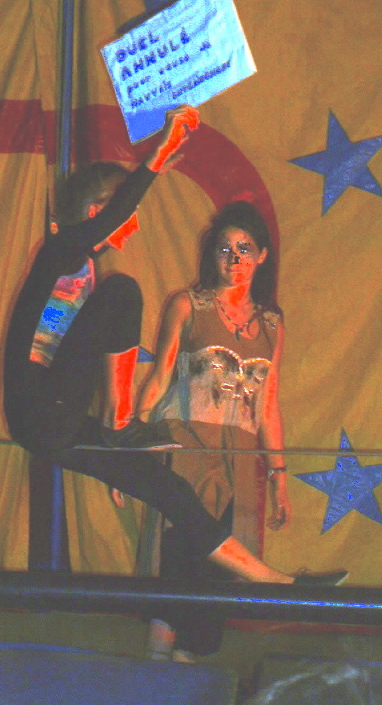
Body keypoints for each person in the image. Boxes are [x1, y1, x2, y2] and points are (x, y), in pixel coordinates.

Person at [3, 105, 347, 588]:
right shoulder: (61, 251)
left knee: (168, 490)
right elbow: (112, 220)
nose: (134, 225)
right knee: (124, 294)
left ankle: (279, 583)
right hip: (38, 405)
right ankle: (120, 424)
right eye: (128, 215)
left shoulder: (83, 267)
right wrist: (157, 157)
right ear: (97, 213)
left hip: (54, 417)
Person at [135, 201, 347, 662]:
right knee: (177, 560)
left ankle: (191, 668)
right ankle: (156, 672)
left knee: (218, 571)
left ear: (262, 255)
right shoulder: (187, 305)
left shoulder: (271, 324)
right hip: (185, 446)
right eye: (224, 248)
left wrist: (279, 478)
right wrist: (128, 442)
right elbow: (158, 379)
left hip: (239, 457)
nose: (234, 259)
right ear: (212, 254)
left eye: (244, 248)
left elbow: (268, 405)